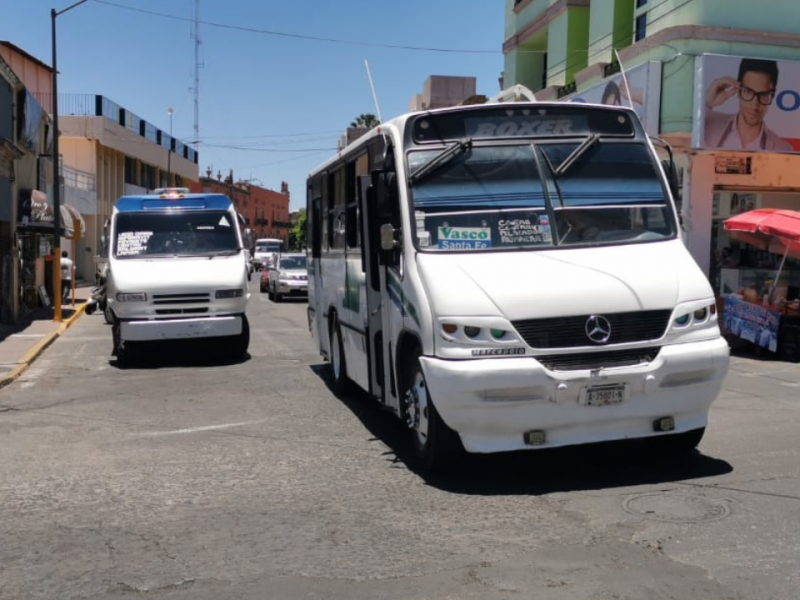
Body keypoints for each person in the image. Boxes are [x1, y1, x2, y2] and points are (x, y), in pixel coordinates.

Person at [704, 58, 793, 151]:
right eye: (749, 92)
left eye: (763, 95)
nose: (755, 105)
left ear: (772, 97)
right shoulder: (706, 123)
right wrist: (708, 103)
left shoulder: (782, 148)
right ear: (738, 91)